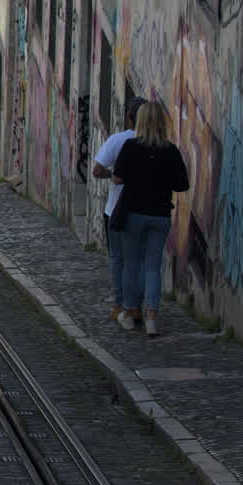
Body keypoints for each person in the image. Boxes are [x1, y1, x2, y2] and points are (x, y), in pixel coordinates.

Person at [112, 101, 189, 337]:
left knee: (131, 264)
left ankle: (129, 311)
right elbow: (182, 185)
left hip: (133, 213)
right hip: (160, 216)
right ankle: (152, 318)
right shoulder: (171, 150)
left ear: (140, 121)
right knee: (153, 266)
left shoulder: (131, 146)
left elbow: (117, 179)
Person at [91, 97, 146, 324]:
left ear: (129, 117)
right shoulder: (158, 142)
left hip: (116, 210)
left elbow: (96, 170)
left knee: (118, 259)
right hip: (147, 210)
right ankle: (137, 307)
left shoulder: (118, 140)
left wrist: (112, 176)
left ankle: (120, 304)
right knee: (141, 261)